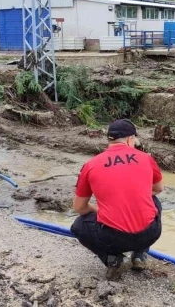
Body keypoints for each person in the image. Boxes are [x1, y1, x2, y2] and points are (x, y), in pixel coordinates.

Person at [71, 119, 164, 280]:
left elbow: (80, 207)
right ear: (130, 139)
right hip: (151, 233)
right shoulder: (146, 158)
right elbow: (158, 189)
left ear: (109, 140)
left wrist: (100, 211)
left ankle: (113, 260)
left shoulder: (90, 165)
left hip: (112, 238)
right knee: (154, 202)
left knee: (79, 226)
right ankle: (140, 255)